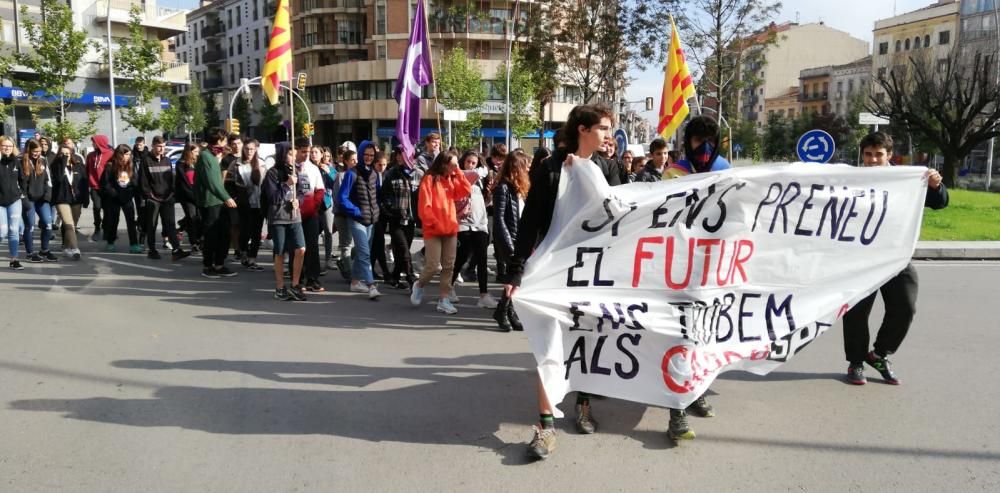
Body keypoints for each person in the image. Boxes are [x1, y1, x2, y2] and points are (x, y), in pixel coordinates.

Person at [504, 104, 635, 460]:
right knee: (550, 344)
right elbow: (530, 222)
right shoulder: (549, 170)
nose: (609, 136)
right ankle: (545, 427)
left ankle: (584, 404)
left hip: (595, 273)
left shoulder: (609, 167)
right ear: (582, 129)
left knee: (588, 342)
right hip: (554, 271)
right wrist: (516, 270)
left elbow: (628, 215)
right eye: (604, 128)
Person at [843, 131, 948, 385]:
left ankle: (879, 355)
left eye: (879, 155)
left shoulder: (908, 179)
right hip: (860, 260)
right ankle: (855, 362)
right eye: (868, 155)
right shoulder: (852, 179)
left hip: (896, 257)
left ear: (890, 155)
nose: (873, 160)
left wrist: (936, 184)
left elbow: (940, 202)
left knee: (905, 307)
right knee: (856, 313)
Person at [410, 150, 472, 315]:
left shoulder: (452, 178)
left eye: (455, 165)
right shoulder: (429, 180)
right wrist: (434, 223)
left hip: (450, 229)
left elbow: (466, 190)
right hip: (434, 230)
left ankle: (443, 299)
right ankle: (419, 284)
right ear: (443, 164)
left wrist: (458, 170)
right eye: (452, 165)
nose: (454, 168)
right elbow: (425, 207)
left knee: (449, 266)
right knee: (432, 266)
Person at [451, 150, 498, 309]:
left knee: (482, 259)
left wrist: (489, 193)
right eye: (468, 162)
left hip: (480, 224)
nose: (471, 165)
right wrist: (479, 172)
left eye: (474, 163)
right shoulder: (460, 175)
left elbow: (484, 202)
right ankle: (448, 287)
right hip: (463, 224)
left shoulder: (481, 180)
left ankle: (483, 295)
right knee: (461, 258)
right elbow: (468, 174)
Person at [264, 142, 307, 301]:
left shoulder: (296, 171)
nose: (293, 157)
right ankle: (280, 286)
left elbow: (301, 192)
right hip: (278, 218)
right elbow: (273, 198)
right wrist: (287, 185)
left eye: (294, 154)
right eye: (290, 154)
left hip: (295, 217)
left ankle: (295, 285)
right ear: (282, 155)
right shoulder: (272, 173)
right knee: (280, 252)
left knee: (301, 249)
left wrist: (299, 201)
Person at [337, 144, 381, 300]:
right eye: (366, 154)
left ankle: (355, 282)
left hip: (371, 220)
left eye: (371, 155)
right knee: (364, 253)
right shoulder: (351, 174)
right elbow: (342, 198)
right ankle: (371, 285)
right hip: (357, 219)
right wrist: (357, 211)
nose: (368, 157)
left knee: (363, 252)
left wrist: (376, 211)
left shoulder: (375, 174)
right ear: (361, 154)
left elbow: (377, 195)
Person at [195, 127, 238, 279]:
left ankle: (219, 264)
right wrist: (227, 197)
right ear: (218, 140)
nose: (227, 142)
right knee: (212, 235)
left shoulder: (214, 155)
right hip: (210, 202)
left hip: (219, 200)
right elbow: (212, 182)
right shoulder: (206, 156)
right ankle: (208, 266)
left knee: (225, 233)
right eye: (225, 140)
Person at [139, 136, 189, 261]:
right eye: (159, 146)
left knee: (170, 225)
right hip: (153, 199)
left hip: (167, 198)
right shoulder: (146, 160)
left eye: (163, 146)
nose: (162, 149)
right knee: (152, 225)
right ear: (153, 146)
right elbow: (143, 182)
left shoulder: (167, 160)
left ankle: (176, 250)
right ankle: (152, 250)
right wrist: (149, 196)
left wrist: (172, 193)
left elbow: (170, 180)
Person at [380, 146, 417, 290]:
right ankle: (411, 278)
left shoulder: (417, 173)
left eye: (407, 155)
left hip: (411, 219)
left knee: (404, 250)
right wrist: (392, 209)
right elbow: (385, 196)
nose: (404, 157)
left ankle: (394, 277)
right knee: (404, 251)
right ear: (397, 157)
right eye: (401, 155)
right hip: (396, 219)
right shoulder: (391, 174)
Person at [292, 137, 326, 292]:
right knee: (298, 247)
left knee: (312, 246)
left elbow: (320, 189)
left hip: (310, 214)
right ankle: (297, 279)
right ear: (296, 150)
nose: (306, 154)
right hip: (293, 214)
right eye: (303, 151)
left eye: (308, 151)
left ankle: (313, 278)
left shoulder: (313, 169)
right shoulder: (291, 167)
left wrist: (314, 206)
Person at [231, 139, 266, 271]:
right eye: (247, 149)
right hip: (244, 203)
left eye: (252, 149)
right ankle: (243, 253)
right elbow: (230, 183)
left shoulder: (262, 164)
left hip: (258, 204)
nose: (249, 151)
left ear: (256, 149)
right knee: (245, 230)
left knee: (257, 232)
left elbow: (266, 185)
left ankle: (252, 259)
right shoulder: (236, 164)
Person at [50, 144, 88, 260]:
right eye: (62, 154)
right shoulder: (55, 166)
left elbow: (84, 183)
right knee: (69, 224)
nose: (65, 156)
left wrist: (86, 198)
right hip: (61, 199)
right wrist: (62, 162)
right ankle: (75, 248)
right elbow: (59, 179)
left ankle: (66, 247)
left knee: (72, 225)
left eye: (67, 154)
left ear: (72, 153)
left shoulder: (79, 165)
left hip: (76, 199)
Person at [101, 144, 141, 253]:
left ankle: (134, 244)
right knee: (113, 220)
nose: (128, 156)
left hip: (127, 198)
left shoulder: (131, 166)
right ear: (120, 154)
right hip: (114, 198)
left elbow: (135, 182)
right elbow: (106, 184)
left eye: (129, 154)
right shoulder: (110, 166)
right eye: (126, 154)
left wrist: (130, 193)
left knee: (131, 221)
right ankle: (110, 242)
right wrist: (115, 194)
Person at [21, 139, 56, 263]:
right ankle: (30, 253)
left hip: (42, 199)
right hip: (28, 200)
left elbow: (48, 180)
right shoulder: (20, 161)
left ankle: (44, 250)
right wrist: (24, 199)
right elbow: (19, 183)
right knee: (29, 226)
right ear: (28, 149)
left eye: (39, 151)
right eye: (35, 151)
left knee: (48, 224)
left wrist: (47, 196)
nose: (37, 154)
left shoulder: (43, 160)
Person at [665, 117, 731, 177]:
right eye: (699, 140)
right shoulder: (672, 173)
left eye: (711, 140)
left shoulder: (725, 170)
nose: (705, 147)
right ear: (688, 142)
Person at [0, 136, 24, 270]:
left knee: (14, 230)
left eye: (9, 146)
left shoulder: (17, 161)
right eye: (4, 145)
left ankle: (14, 259)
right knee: (2, 232)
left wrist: (23, 193)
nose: (7, 148)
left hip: (14, 200)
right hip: (0, 202)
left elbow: (22, 179)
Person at [85, 135, 114, 241]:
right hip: (94, 187)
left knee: (107, 209)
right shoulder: (90, 156)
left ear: (100, 143)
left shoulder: (111, 154)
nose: (92, 144)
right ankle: (97, 228)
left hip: (106, 187)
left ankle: (106, 229)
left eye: (94, 142)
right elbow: (87, 170)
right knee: (97, 208)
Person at [174, 144, 202, 253]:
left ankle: (183, 225)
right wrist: (193, 196)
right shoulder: (181, 164)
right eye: (195, 152)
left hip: (198, 194)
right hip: (186, 195)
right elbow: (184, 183)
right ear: (189, 152)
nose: (197, 154)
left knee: (199, 217)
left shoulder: (197, 163)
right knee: (192, 217)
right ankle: (194, 242)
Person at [369, 150, 391, 281]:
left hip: (383, 213)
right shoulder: (372, 175)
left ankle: (372, 269)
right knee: (378, 242)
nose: (382, 167)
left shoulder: (386, 175)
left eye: (384, 165)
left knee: (377, 243)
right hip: (374, 213)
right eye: (379, 165)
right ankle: (385, 271)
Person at [222, 134, 244, 259]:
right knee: (235, 224)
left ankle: (244, 246)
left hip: (246, 197)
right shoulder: (227, 160)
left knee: (245, 224)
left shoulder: (247, 157)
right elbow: (223, 180)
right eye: (234, 144)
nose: (237, 146)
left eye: (239, 143)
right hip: (232, 197)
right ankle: (237, 249)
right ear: (230, 146)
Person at [317, 146, 338, 271]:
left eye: (328, 156)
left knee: (329, 232)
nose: (326, 158)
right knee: (314, 232)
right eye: (324, 155)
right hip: (315, 202)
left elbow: (336, 183)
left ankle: (328, 259)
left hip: (327, 202)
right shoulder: (315, 168)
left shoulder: (331, 169)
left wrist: (329, 171)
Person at [131, 137, 149, 246]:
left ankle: (142, 228)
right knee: (140, 208)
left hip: (146, 187)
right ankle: (141, 226)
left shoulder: (147, 155)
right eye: (137, 145)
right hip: (136, 187)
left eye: (140, 144)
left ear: (144, 144)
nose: (139, 146)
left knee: (146, 210)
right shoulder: (133, 155)